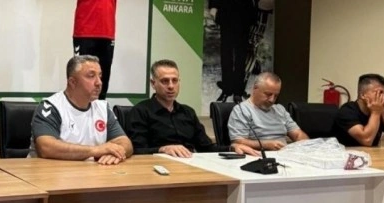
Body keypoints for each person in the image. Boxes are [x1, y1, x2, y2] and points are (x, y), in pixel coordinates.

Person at [127, 59, 259, 157]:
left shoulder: (187, 112)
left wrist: (231, 148)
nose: (171, 86)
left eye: (175, 80)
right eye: (165, 81)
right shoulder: (141, 111)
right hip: (157, 167)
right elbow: (137, 151)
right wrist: (162, 149)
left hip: (190, 164)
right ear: (153, 83)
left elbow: (206, 147)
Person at [30, 55, 133, 165]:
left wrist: (116, 152)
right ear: (72, 82)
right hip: (50, 173)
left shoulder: (103, 108)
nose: (99, 83)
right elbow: (46, 147)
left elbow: (125, 143)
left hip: (92, 172)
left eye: (100, 76)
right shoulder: (51, 106)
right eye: (91, 76)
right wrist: (96, 150)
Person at [228, 72, 308, 150]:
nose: (272, 100)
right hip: (260, 154)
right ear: (255, 88)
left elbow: (298, 134)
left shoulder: (280, 109)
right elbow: (238, 142)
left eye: (276, 96)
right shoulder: (241, 110)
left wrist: (308, 147)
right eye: (268, 94)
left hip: (285, 153)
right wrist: (265, 145)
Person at [333, 73, 384, 147]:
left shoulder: (380, 111)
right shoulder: (347, 110)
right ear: (363, 95)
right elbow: (366, 140)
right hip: (344, 154)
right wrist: (375, 113)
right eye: (379, 93)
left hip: (370, 154)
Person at [208, 0, 257, 103]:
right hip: (227, 12)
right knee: (226, 53)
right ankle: (227, 89)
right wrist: (213, 6)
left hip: (244, 14)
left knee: (241, 55)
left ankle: (238, 91)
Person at [73, 0, 116, 100]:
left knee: (103, 77)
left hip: (107, 31)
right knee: (81, 74)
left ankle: (99, 107)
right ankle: (79, 108)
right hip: (84, 31)